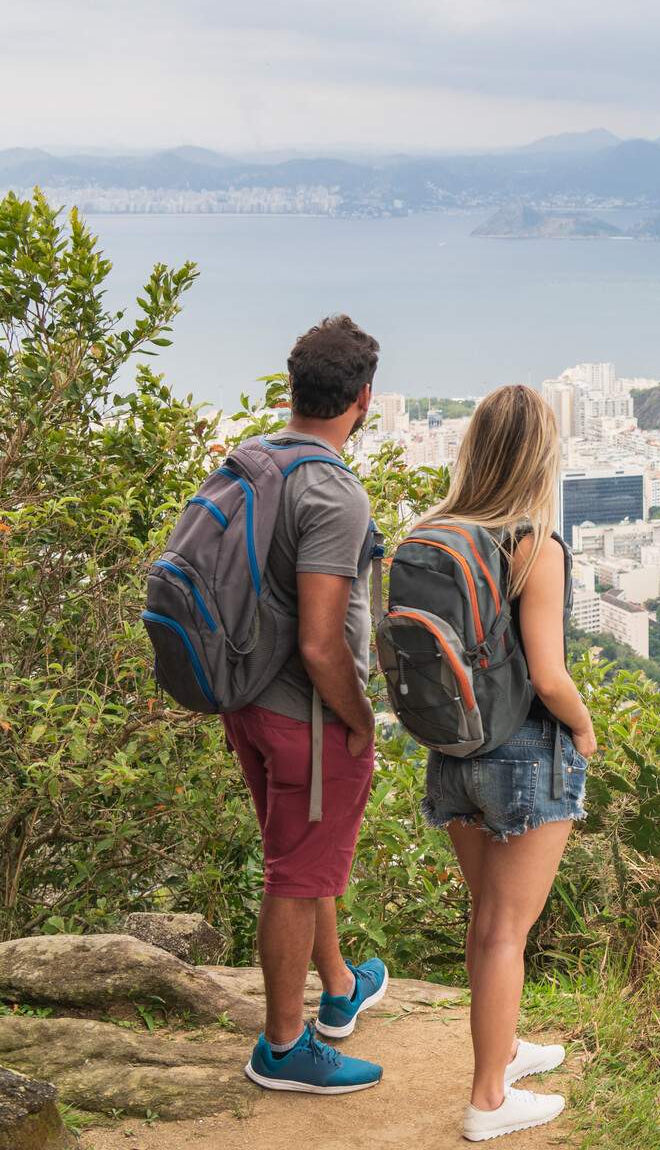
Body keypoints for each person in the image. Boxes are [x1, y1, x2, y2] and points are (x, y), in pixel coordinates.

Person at [415, 384, 596, 1142]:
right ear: (539, 458)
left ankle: (507, 1050)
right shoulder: (533, 543)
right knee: (505, 932)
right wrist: (584, 731)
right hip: (523, 754)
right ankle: (489, 1100)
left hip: (452, 750)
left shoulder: (431, 532)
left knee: (488, 921)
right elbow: (548, 675)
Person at [230, 315, 389, 1094]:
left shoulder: (255, 460)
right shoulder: (333, 492)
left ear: (296, 389)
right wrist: (360, 718)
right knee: (296, 876)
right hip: (306, 716)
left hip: (247, 699)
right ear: (364, 399)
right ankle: (284, 1048)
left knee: (302, 853)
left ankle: (338, 987)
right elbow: (325, 646)